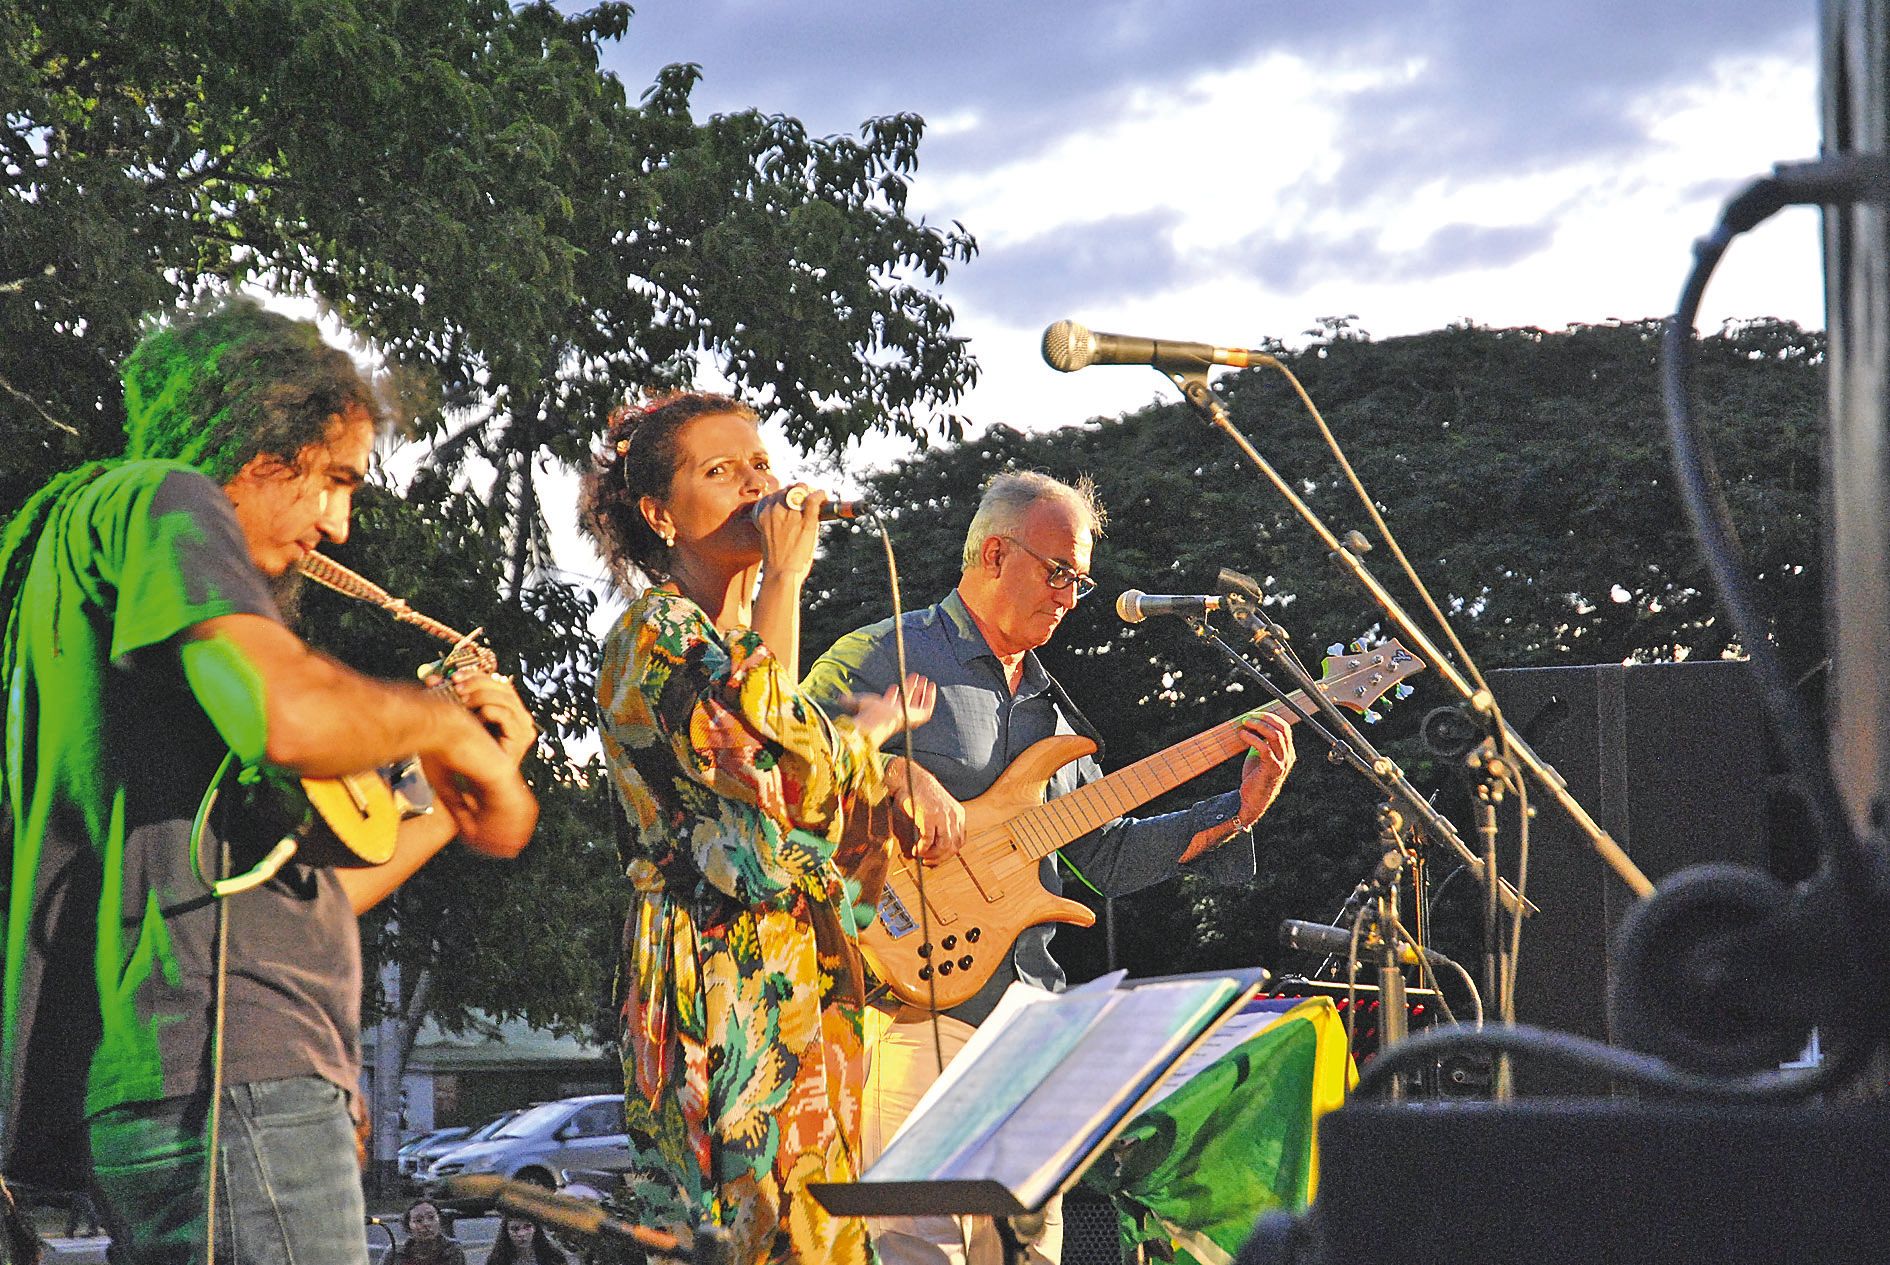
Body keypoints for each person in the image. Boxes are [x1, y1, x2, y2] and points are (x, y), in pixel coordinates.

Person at [0, 297, 540, 1265]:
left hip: (172, 1082)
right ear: (258, 440)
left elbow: (292, 894)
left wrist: (437, 800)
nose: (337, 523)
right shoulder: (165, 499)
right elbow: (287, 714)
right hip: (237, 1081)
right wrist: (446, 725)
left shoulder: (67, 560)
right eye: (333, 478)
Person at [800, 470, 1297, 1265]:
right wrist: (894, 773)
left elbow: (1105, 854)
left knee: (1033, 1255)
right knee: (916, 1249)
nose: (1072, 595)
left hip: (1030, 1023)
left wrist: (1236, 811)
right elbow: (786, 764)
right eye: (1060, 571)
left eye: (1082, 579)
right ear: (996, 553)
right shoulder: (881, 652)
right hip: (903, 1005)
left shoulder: (1054, 711)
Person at [579, 392, 946, 1265]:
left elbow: (807, 769)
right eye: (721, 469)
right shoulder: (652, 633)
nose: (757, 481)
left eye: (760, 462)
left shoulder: (739, 643)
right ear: (660, 514)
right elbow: (777, 758)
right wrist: (785, 577)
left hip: (798, 975)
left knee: (816, 1232)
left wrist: (884, 771)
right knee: (740, 1233)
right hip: (715, 968)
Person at [388, 1201, 465, 1265]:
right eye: (418, 1220)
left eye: (431, 1217)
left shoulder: (451, 1249)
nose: (426, 1224)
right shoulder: (396, 1251)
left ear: (440, 1220)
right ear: (408, 1226)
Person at [485, 1217, 568, 1265]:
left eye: (527, 1227)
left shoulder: (554, 1258)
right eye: (515, 1229)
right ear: (506, 1232)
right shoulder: (496, 1261)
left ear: (535, 1229)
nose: (521, 1234)